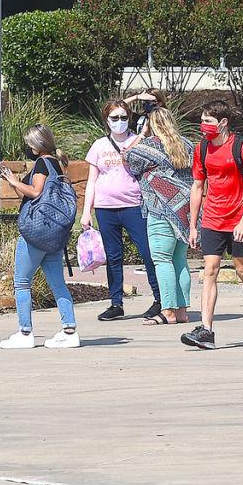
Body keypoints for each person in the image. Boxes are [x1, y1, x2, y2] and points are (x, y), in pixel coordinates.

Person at [183, 100, 243, 349]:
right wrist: (193, 224)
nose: (203, 126)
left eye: (208, 121)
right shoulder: (202, 149)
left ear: (223, 123)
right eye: (202, 121)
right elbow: (198, 186)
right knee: (210, 270)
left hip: (240, 219)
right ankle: (207, 330)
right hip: (212, 218)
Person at [0, 126, 80, 350]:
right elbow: (28, 195)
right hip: (54, 233)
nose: (28, 147)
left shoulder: (43, 163)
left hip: (36, 232)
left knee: (22, 282)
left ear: (38, 145)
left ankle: (25, 332)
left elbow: (35, 192)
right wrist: (13, 180)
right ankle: (69, 330)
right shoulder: (57, 164)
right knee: (57, 283)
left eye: (29, 143)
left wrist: (14, 181)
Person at [82, 99, 162, 323]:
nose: (119, 122)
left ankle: (159, 299)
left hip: (133, 205)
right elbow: (91, 181)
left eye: (123, 118)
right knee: (114, 256)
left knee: (148, 252)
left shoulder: (138, 141)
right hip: (105, 207)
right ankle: (116, 302)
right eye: (114, 118)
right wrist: (86, 211)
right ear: (107, 121)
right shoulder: (99, 145)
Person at [121, 107, 195, 326]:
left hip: (160, 209)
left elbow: (127, 159)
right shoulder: (187, 145)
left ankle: (168, 311)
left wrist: (142, 134)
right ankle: (182, 311)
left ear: (149, 124)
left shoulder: (147, 147)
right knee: (180, 260)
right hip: (185, 210)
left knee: (162, 260)